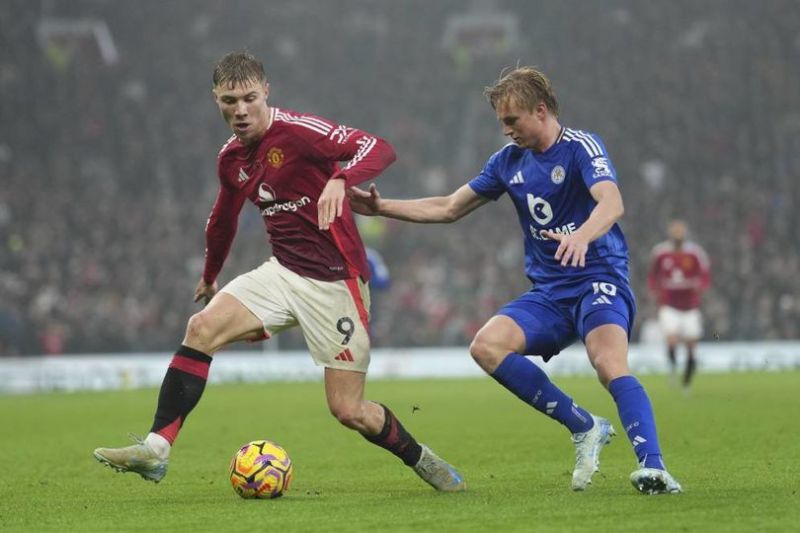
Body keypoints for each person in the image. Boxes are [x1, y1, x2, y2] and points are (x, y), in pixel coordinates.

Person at [93, 51, 465, 492]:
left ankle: (420, 458)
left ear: (266, 91)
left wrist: (342, 179)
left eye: (249, 97)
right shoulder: (231, 158)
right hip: (283, 273)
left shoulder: (302, 134)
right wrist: (211, 274)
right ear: (216, 100)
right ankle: (156, 449)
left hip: (336, 281)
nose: (240, 110)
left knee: (349, 411)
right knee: (201, 328)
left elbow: (378, 147)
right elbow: (223, 219)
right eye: (229, 101)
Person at [349, 66, 682, 494]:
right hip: (549, 293)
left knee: (608, 364)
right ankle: (583, 425)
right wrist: (381, 208)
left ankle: (653, 467)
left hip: (598, 278)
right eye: (501, 123)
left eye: (512, 121)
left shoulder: (581, 147)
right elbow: (449, 207)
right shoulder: (508, 163)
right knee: (486, 346)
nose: (506, 131)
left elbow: (612, 202)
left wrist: (581, 236)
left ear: (540, 110)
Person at [647, 220, 711, 391]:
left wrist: (701, 287)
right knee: (672, 340)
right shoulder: (660, 253)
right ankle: (673, 368)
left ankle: (687, 382)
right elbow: (653, 275)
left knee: (691, 347)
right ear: (670, 233)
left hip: (690, 306)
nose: (677, 234)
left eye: (680, 231)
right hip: (669, 305)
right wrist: (654, 290)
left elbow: (705, 275)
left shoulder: (695, 253)